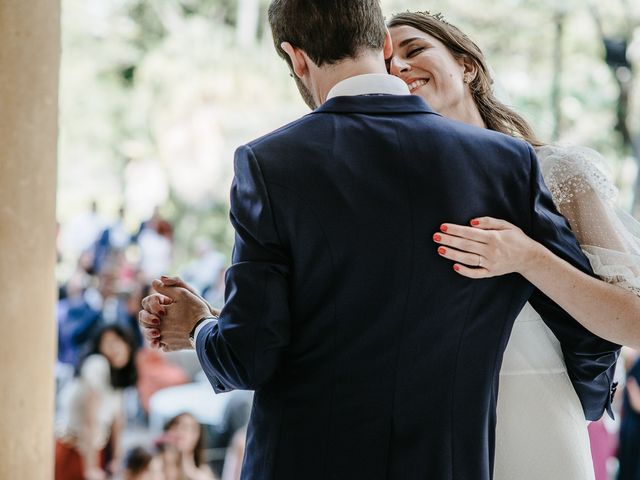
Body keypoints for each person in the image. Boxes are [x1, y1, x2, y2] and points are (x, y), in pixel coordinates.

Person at [139, 1, 619, 478]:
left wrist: (201, 326)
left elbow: (252, 354)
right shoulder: (505, 163)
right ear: (383, 43)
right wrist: (579, 398)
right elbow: (586, 327)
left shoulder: (269, 163)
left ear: (296, 57)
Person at [386, 10, 640, 479]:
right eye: (384, 65)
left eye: (413, 50)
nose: (398, 68)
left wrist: (528, 256)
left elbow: (635, 322)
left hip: (537, 413)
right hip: (426, 429)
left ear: (467, 66)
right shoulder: (391, 195)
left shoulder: (559, 173)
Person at [55, 325, 138, 480]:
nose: (116, 348)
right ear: (99, 347)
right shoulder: (97, 364)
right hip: (74, 451)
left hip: (93, 451)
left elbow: (117, 420)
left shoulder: (116, 375)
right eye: (109, 343)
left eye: (120, 341)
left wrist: (117, 458)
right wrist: (90, 468)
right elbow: (89, 420)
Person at [157, 413, 217, 480]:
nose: (180, 430)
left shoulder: (203, 472)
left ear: (197, 437)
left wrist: (191, 471)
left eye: (186, 427)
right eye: (176, 424)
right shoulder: (156, 464)